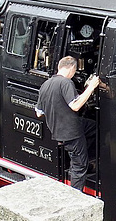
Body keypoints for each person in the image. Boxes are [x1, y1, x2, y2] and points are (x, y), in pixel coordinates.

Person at [35, 56, 100, 191]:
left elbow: (39, 113)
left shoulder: (45, 85)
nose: (74, 74)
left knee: (93, 127)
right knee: (79, 166)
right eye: (74, 71)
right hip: (71, 132)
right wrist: (91, 87)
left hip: (58, 130)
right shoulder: (66, 83)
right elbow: (75, 106)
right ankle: (75, 195)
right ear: (71, 68)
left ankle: (88, 157)